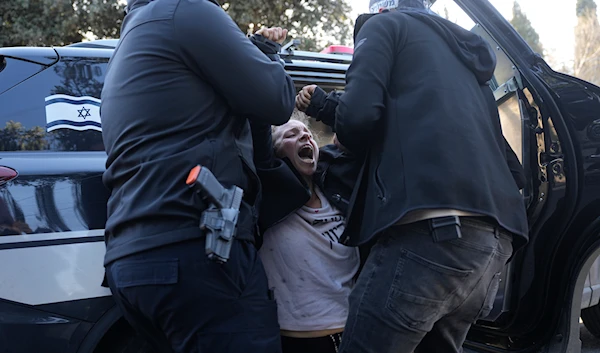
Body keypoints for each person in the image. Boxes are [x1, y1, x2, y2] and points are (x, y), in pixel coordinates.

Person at [296, 1, 529, 352]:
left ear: (382, 9)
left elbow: (358, 120)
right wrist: (328, 107)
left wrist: (328, 111)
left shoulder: (383, 27)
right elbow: (515, 170)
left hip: (430, 238)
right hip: (492, 249)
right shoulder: (466, 62)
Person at [99, 0, 296, 351]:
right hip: (198, 250)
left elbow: (256, 132)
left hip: (130, 261)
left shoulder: (132, 39)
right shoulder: (186, 10)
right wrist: (268, 55)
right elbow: (278, 100)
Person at [250, 109, 363, 353]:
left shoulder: (338, 193)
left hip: (355, 333)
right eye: (291, 135)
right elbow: (257, 123)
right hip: (299, 341)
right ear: (275, 152)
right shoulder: (269, 199)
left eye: (308, 134)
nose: (305, 138)